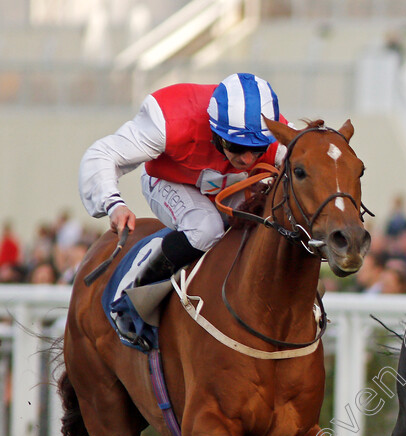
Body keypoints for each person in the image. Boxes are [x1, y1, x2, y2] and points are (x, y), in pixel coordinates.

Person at [79, 73, 288, 332]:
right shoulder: (170, 118)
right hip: (168, 179)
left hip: (227, 182)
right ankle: (132, 295)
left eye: (256, 149)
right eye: (236, 146)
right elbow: (103, 153)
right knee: (206, 228)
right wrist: (113, 203)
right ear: (215, 130)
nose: (247, 159)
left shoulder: (274, 131)